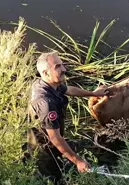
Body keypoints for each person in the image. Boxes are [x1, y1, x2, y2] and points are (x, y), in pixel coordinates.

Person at [27, 51, 108, 184]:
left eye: (62, 65)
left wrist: (93, 93)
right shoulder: (46, 103)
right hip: (46, 151)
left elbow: (69, 90)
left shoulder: (49, 83)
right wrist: (79, 161)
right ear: (45, 72)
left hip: (51, 142)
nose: (64, 69)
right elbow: (55, 138)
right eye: (57, 67)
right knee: (52, 177)